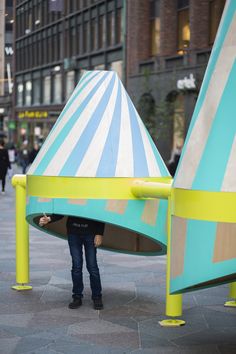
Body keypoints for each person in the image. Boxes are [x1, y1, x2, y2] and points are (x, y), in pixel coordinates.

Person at [39, 214, 105, 310]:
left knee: (92, 267)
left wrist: (99, 233)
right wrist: (49, 219)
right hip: (73, 233)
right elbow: (64, 209)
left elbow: (99, 211)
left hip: (91, 232)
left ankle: (97, 297)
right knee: (76, 266)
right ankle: (77, 297)